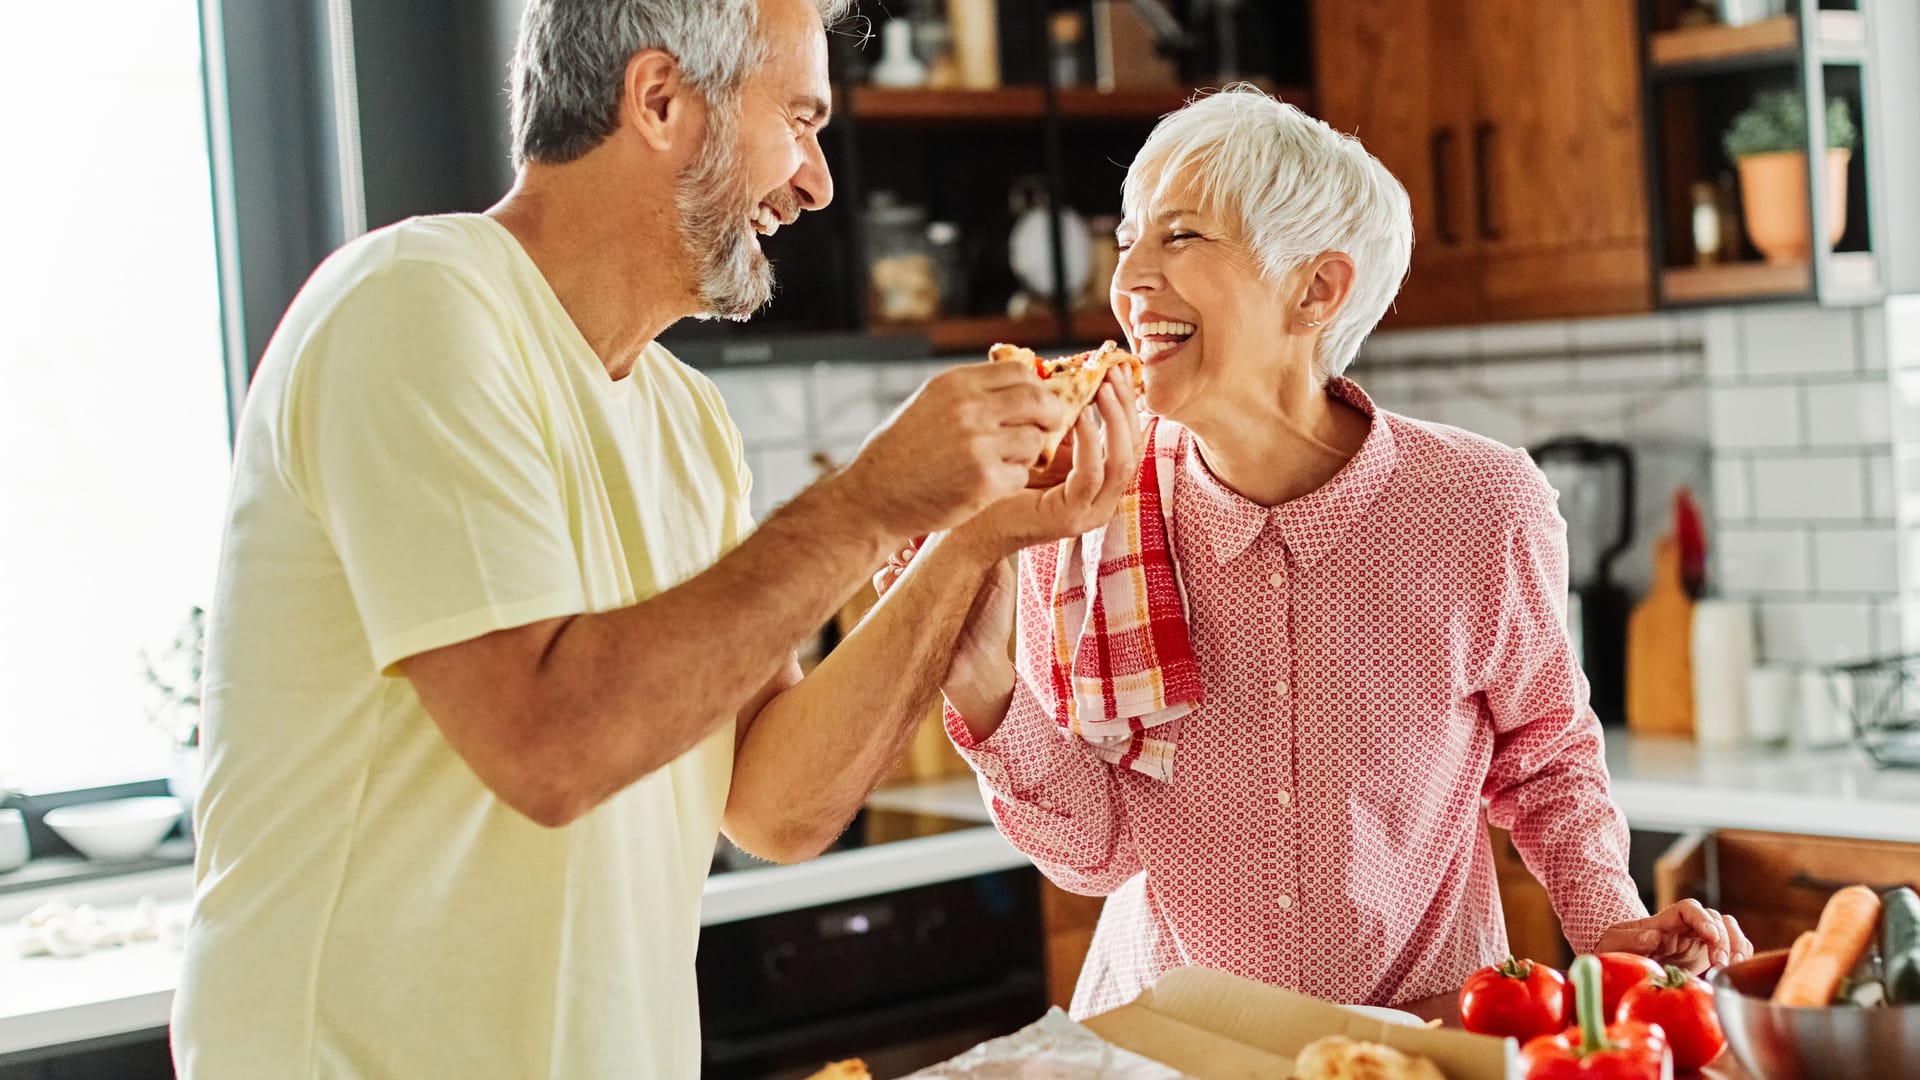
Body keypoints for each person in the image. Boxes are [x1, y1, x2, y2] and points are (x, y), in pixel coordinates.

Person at [170, 1, 1140, 1076]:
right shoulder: (417, 307)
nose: (817, 181)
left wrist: (963, 546)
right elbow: (548, 746)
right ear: (662, 100)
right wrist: (871, 503)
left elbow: (772, 803)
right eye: (801, 120)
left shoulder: (687, 420)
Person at [879, 87, 1753, 1018]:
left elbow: (1545, 757)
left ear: (1316, 290)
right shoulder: (1082, 511)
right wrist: (980, 682)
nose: (1128, 277)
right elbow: (1094, 855)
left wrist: (1609, 924)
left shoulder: (1481, 507)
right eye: (1129, 236)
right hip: (1169, 1048)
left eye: (1181, 237)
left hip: (1417, 1042)